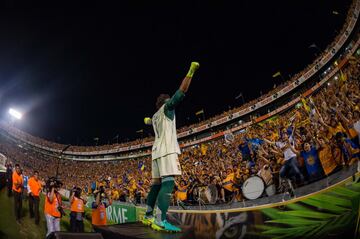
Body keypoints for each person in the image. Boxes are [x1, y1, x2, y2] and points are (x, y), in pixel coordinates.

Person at [142, 62, 200, 232]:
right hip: (167, 150)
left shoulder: (154, 116)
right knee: (168, 184)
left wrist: (146, 120)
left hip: (156, 152)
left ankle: (148, 216)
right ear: (165, 102)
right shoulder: (167, 107)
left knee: (156, 185)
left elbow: (148, 121)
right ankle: (161, 220)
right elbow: (181, 92)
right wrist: (190, 72)